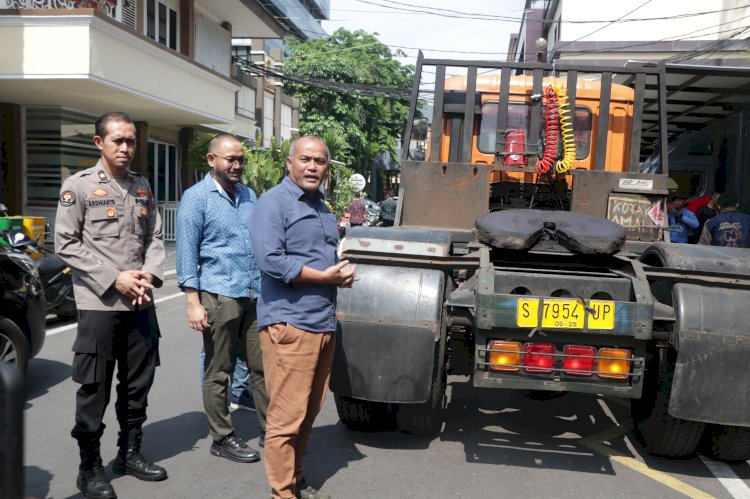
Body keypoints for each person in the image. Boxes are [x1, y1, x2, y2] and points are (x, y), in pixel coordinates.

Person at [55, 111, 167, 499]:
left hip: (140, 302)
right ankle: (90, 468)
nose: (126, 147)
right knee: (94, 389)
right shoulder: (79, 186)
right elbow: (66, 242)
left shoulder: (141, 186)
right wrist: (115, 277)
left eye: (131, 140)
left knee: (138, 384)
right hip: (101, 304)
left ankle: (130, 453)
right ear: (98, 143)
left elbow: (155, 236)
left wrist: (148, 277)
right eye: (118, 140)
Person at [249, 135, 356, 499]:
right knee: (285, 419)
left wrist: (338, 272)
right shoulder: (273, 204)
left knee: (308, 414)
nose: (313, 166)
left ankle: (293, 479)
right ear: (289, 163)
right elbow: (271, 260)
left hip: (322, 322)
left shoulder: (322, 206)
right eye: (306, 159)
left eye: (321, 161)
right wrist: (324, 277)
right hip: (290, 323)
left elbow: (319, 255)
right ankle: (282, 494)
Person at [176, 134, 267, 464]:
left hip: (253, 294)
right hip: (218, 294)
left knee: (261, 367)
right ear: (212, 160)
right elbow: (186, 253)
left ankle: (271, 429)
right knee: (219, 370)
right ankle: (223, 436)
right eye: (231, 159)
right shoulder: (196, 198)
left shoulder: (248, 195)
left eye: (241, 159)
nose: (237, 165)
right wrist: (192, 302)